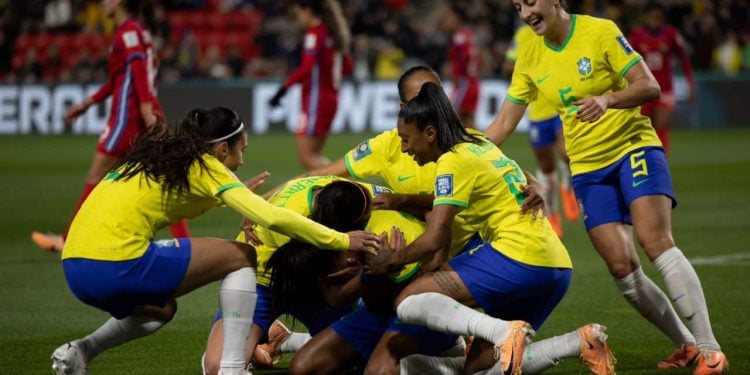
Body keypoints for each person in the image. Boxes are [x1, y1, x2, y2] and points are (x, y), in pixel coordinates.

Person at [484, 1, 727, 373]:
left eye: (530, 2)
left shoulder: (600, 31)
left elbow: (649, 85)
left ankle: (711, 351)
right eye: (518, 7)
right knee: (622, 270)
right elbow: (502, 124)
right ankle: (687, 344)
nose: (525, 13)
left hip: (633, 147)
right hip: (587, 169)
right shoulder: (529, 55)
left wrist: (607, 99)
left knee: (654, 241)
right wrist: (463, 151)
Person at [50, 107, 379, 375]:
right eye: (242, 151)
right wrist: (340, 240)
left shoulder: (156, 160)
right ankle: (233, 369)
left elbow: (178, 198)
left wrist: (233, 197)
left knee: (160, 308)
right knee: (241, 254)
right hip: (118, 261)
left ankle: (82, 350)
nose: (242, 161)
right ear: (223, 149)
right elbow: (274, 217)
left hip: (77, 270)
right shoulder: (208, 166)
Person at [366, 82, 613, 375]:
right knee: (480, 370)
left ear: (430, 133)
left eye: (407, 139)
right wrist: (540, 189)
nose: (405, 148)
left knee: (409, 300)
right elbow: (529, 179)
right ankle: (577, 342)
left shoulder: (452, 161)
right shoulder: (479, 144)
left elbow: (435, 239)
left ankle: (502, 331)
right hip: (556, 265)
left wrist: (392, 259)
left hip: (518, 256)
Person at [31, 0, 190, 253]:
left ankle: (68, 240)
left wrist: (149, 115)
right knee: (163, 179)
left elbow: (138, 78)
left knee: (96, 178)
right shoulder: (137, 32)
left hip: (128, 120)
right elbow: (119, 79)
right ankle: (183, 243)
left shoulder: (128, 32)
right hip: (139, 115)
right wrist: (87, 104)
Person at [202, 178, 381, 374]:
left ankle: (282, 339)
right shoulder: (290, 225)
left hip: (311, 280)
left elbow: (294, 182)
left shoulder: (349, 193)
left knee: (364, 359)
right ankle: (264, 332)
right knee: (219, 367)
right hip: (261, 280)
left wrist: (257, 204)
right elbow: (331, 292)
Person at [504, 24, 579, 236]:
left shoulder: (557, 33)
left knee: (565, 152)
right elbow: (508, 65)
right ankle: (553, 213)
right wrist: (524, 66)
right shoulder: (522, 36)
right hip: (537, 113)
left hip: (559, 107)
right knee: (546, 168)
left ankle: (568, 186)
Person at [268, 0, 352, 170]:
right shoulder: (333, 34)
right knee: (315, 156)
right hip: (330, 98)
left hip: (316, 99)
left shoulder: (314, 34)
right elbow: (348, 67)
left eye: (298, 14)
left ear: (308, 10)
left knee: (306, 157)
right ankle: (335, 190)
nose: (298, 19)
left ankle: (346, 188)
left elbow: (306, 68)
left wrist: (283, 89)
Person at [629, 2, 695, 155]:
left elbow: (684, 59)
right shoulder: (637, 35)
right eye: (652, 16)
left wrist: (690, 83)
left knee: (662, 125)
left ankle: (661, 159)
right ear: (646, 17)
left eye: (657, 16)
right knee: (644, 127)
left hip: (664, 89)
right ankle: (646, 158)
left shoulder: (671, 34)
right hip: (643, 88)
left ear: (662, 18)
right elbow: (627, 60)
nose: (654, 19)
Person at [444, 3, 480, 129]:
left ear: (457, 18)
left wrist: (456, 73)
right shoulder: (468, 34)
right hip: (472, 82)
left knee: (450, 117)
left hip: (463, 83)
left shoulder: (459, 37)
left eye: (449, 17)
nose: (447, 21)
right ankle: (479, 147)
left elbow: (465, 58)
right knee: (468, 120)